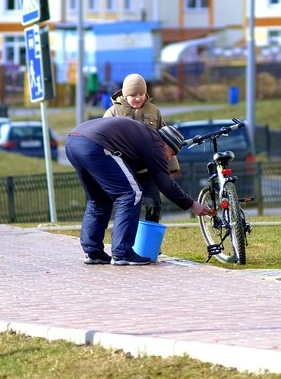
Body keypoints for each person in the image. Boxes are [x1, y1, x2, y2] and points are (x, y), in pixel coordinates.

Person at [65, 117, 215, 266]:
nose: (169, 158)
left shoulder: (145, 136)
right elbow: (165, 184)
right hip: (95, 144)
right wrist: (192, 204)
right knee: (131, 193)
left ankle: (93, 252)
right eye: (172, 153)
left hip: (73, 141)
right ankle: (122, 252)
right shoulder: (155, 144)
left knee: (99, 199)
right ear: (166, 144)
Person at [103, 73, 176, 224]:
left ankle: (149, 245)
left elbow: (164, 138)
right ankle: (128, 242)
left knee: (154, 205)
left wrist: (172, 166)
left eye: (141, 94)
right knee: (128, 208)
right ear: (125, 94)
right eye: (133, 95)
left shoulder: (154, 111)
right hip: (125, 170)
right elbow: (103, 141)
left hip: (148, 170)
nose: (138, 98)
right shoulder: (113, 113)